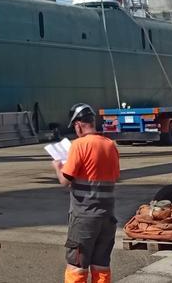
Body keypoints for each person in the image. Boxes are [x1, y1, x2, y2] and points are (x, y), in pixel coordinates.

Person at [51, 103, 120, 283]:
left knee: (77, 265)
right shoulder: (110, 145)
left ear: (78, 124)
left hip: (84, 218)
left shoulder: (79, 145)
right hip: (107, 217)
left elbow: (65, 181)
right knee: (101, 265)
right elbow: (114, 176)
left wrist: (58, 167)